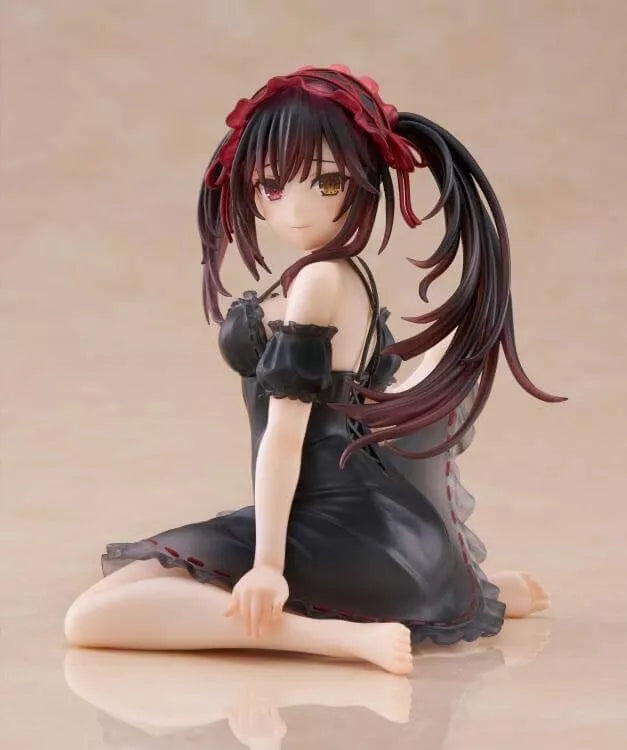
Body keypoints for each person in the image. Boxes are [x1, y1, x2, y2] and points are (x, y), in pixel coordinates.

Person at [64, 65, 563, 675]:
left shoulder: (321, 281)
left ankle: (337, 638)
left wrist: (267, 567)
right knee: (124, 589)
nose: (297, 208)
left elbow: (284, 436)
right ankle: (456, 593)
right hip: (347, 519)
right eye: (272, 184)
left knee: (91, 619)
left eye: (326, 182)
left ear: (366, 181)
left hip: (343, 527)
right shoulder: (326, 275)